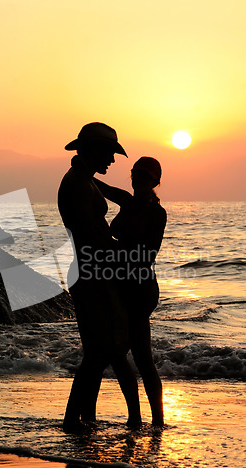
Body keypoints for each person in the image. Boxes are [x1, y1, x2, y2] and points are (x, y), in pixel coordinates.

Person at [58, 122, 141, 431]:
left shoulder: (84, 179)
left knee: (98, 352)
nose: (113, 160)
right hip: (93, 273)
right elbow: (94, 237)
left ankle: (84, 419)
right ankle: (74, 420)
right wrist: (128, 253)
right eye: (109, 153)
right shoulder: (78, 185)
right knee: (105, 351)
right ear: (93, 151)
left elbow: (115, 199)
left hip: (90, 270)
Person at [93, 157, 166, 426]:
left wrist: (114, 251)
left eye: (145, 176)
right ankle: (137, 418)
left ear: (154, 182)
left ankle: (154, 419)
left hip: (140, 287)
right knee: (120, 353)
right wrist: (81, 168)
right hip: (122, 284)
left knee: (140, 357)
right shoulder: (127, 200)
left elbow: (148, 254)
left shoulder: (157, 213)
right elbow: (99, 186)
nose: (138, 179)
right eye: (135, 174)